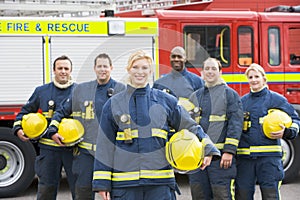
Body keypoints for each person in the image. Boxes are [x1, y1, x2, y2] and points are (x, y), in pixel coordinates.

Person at [92, 50, 220, 200]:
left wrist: (208, 147)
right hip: (125, 186)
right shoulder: (113, 104)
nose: (140, 72)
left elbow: (190, 126)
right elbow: (104, 146)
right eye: (135, 67)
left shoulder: (165, 100)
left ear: (151, 71)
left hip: (160, 185)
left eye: (145, 68)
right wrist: (102, 183)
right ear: (128, 70)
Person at [47, 53, 125, 200]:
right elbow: (62, 111)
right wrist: (52, 131)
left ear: (111, 68)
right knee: (82, 193)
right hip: (85, 155)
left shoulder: (121, 90)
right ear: (94, 68)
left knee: (115, 194)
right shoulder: (81, 90)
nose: (102, 69)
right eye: (99, 66)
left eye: (105, 66)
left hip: (112, 155)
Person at [12, 55, 76, 200]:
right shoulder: (42, 91)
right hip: (49, 151)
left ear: (71, 70)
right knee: (46, 191)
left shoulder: (79, 91)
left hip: (74, 150)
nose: (63, 71)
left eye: (66, 68)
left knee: (80, 191)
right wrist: (18, 129)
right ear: (54, 70)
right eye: (60, 68)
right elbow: (23, 113)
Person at [235, 63, 300, 199]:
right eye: (250, 77)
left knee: (270, 195)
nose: (254, 80)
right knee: (242, 195)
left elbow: (295, 119)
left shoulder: (276, 99)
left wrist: (287, 133)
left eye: (257, 76)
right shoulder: (242, 102)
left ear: (264, 78)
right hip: (245, 159)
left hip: (269, 159)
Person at [187, 57, 243, 199]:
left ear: (220, 72)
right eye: (207, 69)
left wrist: (229, 151)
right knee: (199, 195)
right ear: (202, 72)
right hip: (198, 158)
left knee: (222, 196)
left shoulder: (230, 95)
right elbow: (188, 126)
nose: (210, 72)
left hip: (220, 159)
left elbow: (235, 124)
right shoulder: (195, 96)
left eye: (213, 69)